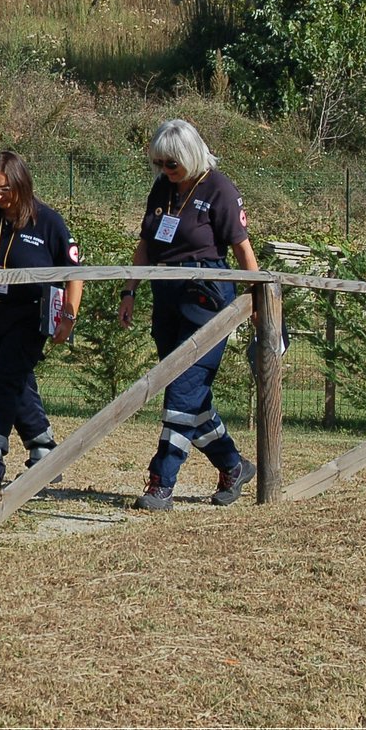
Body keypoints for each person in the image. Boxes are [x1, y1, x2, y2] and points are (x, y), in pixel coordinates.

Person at [117, 119, 258, 510]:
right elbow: (145, 243)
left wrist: (260, 302)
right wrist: (129, 291)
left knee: (181, 391)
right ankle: (234, 465)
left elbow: (244, 252)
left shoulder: (220, 189)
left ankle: (161, 482)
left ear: (190, 157)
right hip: (166, 296)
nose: (164, 170)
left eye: (171, 163)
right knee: (191, 396)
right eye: (159, 162)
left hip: (207, 298)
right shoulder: (162, 188)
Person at [0, 152, 84, 488]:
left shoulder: (48, 222)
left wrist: (68, 316)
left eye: (5, 190)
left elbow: (75, 272)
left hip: (30, 314)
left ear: (21, 184)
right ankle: (44, 452)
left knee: (6, 379)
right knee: (13, 381)